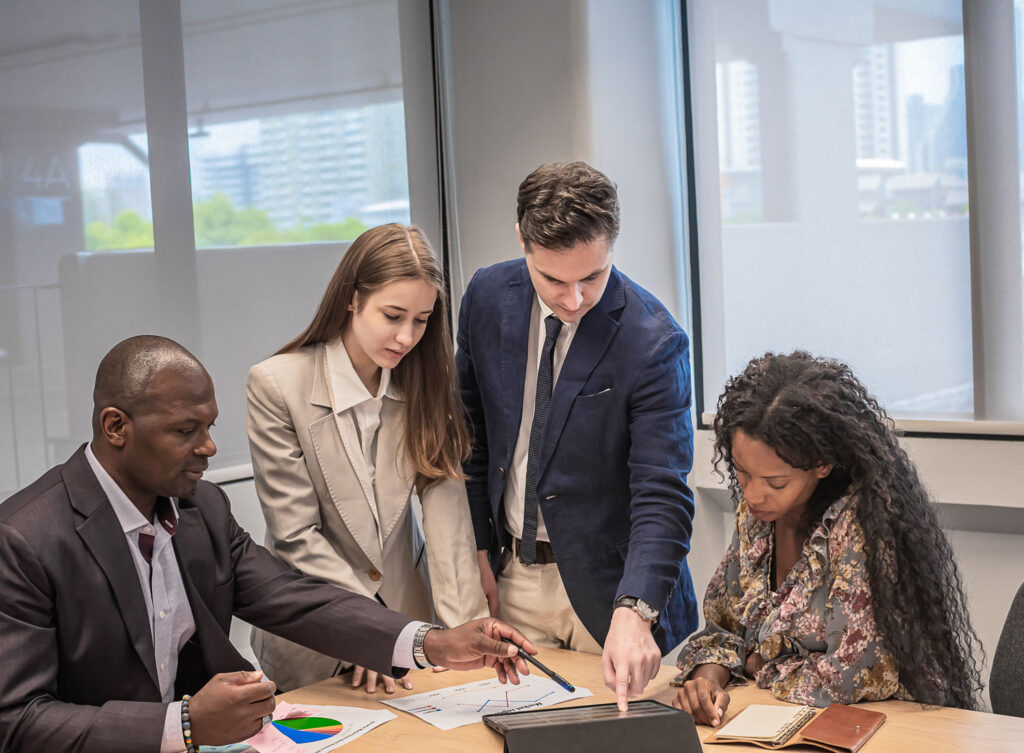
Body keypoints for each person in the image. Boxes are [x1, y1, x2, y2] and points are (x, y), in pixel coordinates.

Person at [0, 335, 534, 753]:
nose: (208, 447)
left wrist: (434, 644)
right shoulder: (24, 540)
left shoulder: (201, 508)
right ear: (115, 426)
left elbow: (294, 598)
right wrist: (182, 725)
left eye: (209, 426)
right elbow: (17, 722)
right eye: (186, 430)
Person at [456, 161, 699, 711]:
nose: (573, 300)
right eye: (554, 280)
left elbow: (662, 492)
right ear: (522, 241)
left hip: (614, 592)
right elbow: (470, 439)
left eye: (593, 276)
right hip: (511, 575)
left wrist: (635, 611)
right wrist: (474, 550)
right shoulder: (487, 297)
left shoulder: (654, 342)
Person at [672, 351, 983, 726]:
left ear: (822, 463)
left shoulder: (861, 523)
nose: (752, 495)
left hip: (887, 725)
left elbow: (853, 673)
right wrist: (707, 679)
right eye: (742, 473)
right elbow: (725, 629)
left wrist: (757, 665)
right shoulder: (758, 518)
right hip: (786, 716)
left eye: (775, 482)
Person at [246, 223, 487, 694]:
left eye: (421, 320)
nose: (406, 337)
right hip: (315, 632)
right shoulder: (276, 385)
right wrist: (379, 633)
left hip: (409, 630)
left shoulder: (426, 383)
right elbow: (296, 536)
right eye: (393, 315)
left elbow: (449, 521)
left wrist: (468, 635)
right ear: (352, 298)